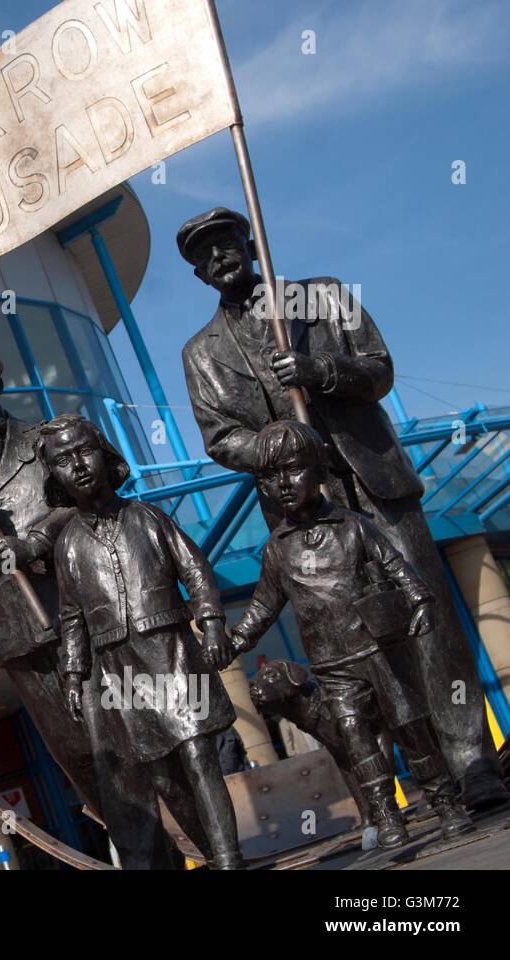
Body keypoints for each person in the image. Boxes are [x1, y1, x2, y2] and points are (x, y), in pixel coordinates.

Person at [178, 206, 507, 810]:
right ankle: (425, 778)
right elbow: (221, 437)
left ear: (249, 243)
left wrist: (320, 371)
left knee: (425, 620)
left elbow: (378, 370)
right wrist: (281, 448)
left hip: (373, 483)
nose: (218, 258)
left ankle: (472, 760)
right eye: (204, 256)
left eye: (226, 243)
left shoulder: (325, 297)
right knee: (358, 650)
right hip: (303, 513)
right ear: (198, 275)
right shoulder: (201, 354)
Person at [0, 342, 205, 869]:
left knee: (150, 742)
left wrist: (34, 541)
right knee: (87, 762)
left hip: (89, 612)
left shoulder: (44, 440)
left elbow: (82, 501)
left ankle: (216, 849)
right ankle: (156, 862)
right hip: (21, 636)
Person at [229, 421, 475, 847]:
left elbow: (398, 566)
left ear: (319, 470)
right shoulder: (276, 548)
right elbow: (264, 605)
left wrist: (419, 600)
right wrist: (237, 640)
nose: (282, 484)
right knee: (357, 739)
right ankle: (386, 816)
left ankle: (446, 802)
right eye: (269, 477)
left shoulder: (354, 526)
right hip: (333, 664)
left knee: (411, 729)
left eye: (292, 469)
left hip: (380, 649)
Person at [37, 412, 244, 870]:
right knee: (166, 778)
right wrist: (73, 674)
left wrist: (210, 624)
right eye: (64, 461)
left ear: (105, 455)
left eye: (84, 451)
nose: (79, 465)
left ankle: (230, 861)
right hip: (121, 668)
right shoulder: (67, 545)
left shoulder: (147, 516)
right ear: (54, 476)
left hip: (171, 653)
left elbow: (195, 570)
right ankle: (213, 855)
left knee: (197, 755)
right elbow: (71, 617)